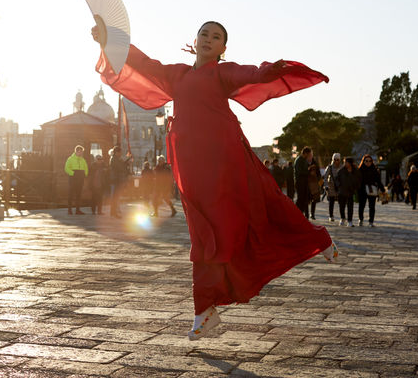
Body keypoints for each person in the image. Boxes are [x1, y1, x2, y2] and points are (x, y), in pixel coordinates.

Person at [92, 20, 335, 340]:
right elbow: (142, 63)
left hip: (225, 160)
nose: (208, 39)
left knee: (262, 203)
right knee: (203, 234)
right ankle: (205, 310)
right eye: (204, 33)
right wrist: (109, 41)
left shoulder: (222, 72)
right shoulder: (177, 74)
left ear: (223, 49)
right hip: (191, 167)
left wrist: (266, 72)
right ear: (194, 40)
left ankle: (315, 239)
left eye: (216, 36)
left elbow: (248, 74)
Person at [357, 154, 385, 227]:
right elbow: (357, 181)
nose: (368, 162)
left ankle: (371, 221)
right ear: (363, 161)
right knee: (361, 205)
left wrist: (382, 189)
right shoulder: (360, 170)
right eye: (366, 161)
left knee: (372, 206)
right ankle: (361, 219)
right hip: (362, 190)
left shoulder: (374, 170)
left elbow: (378, 180)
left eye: (370, 161)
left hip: (372, 190)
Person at [336, 157, 361, 226]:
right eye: (344, 162)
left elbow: (359, 180)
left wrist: (356, 187)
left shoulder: (355, 171)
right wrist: (339, 186)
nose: (345, 164)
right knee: (342, 206)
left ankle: (350, 221)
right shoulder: (341, 171)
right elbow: (337, 179)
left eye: (346, 162)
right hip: (342, 191)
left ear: (350, 163)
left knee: (350, 207)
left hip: (351, 191)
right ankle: (342, 218)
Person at [64, 145, 89, 215]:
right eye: (80, 152)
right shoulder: (70, 159)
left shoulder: (83, 160)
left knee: (79, 194)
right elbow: (66, 168)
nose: (81, 153)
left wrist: (85, 174)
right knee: (71, 194)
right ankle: (69, 210)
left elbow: (86, 168)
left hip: (80, 177)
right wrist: (72, 173)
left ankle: (77, 210)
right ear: (76, 151)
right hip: (73, 178)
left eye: (82, 152)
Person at [108, 146, 131, 217]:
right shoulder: (114, 159)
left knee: (116, 197)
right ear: (117, 152)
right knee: (115, 197)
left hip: (117, 179)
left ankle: (113, 212)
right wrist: (127, 160)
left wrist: (127, 161)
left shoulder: (116, 158)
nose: (121, 153)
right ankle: (114, 212)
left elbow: (122, 165)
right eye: (120, 152)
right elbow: (120, 167)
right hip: (116, 179)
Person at [323, 153, 343, 222]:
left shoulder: (342, 167)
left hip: (339, 186)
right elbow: (325, 177)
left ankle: (342, 216)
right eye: (335, 159)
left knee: (341, 202)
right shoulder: (330, 167)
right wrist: (326, 185)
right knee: (331, 202)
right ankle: (331, 216)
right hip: (331, 186)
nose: (336, 161)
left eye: (337, 159)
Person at [294, 147, 313, 217]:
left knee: (304, 200)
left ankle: (303, 215)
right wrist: (308, 171)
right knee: (300, 200)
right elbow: (300, 172)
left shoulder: (304, 160)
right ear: (305, 153)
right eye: (309, 154)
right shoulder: (299, 160)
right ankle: (296, 214)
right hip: (300, 183)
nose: (309, 155)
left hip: (304, 182)